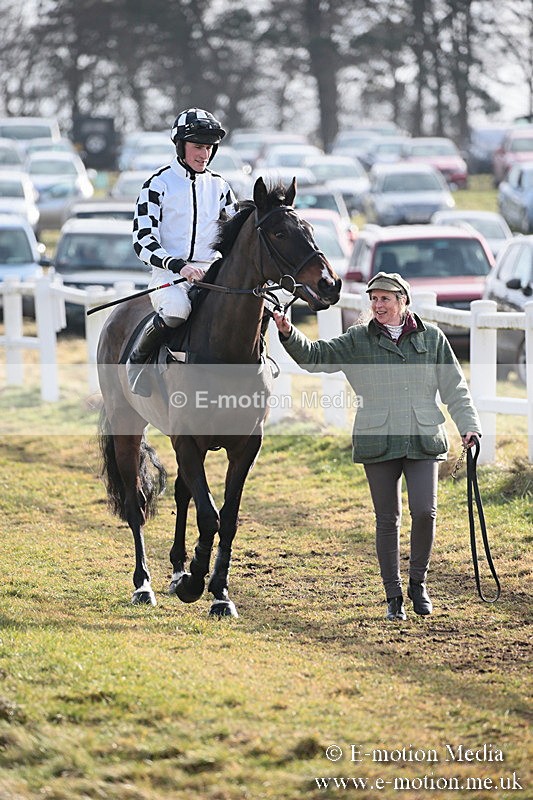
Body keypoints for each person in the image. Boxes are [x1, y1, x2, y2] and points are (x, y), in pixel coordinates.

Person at [273, 272, 481, 621]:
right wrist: (288, 332)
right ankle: (393, 596)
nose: (378, 305)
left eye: (385, 299)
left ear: (402, 301)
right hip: (378, 437)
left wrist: (469, 427)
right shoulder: (358, 339)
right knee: (387, 518)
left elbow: (455, 388)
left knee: (425, 512)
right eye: (373, 299)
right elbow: (315, 357)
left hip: (421, 436)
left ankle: (418, 583)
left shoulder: (432, 339)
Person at [128, 107, 239, 395]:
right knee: (177, 310)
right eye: (197, 146)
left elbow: (236, 238)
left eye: (209, 147)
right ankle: (138, 361)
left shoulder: (221, 187)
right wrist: (179, 266)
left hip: (211, 273)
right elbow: (142, 241)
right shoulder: (157, 185)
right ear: (181, 146)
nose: (204, 154)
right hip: (169, 275)